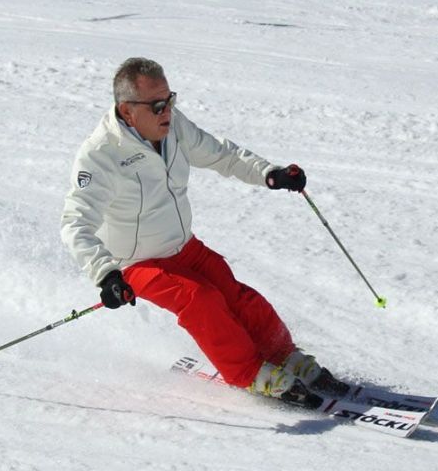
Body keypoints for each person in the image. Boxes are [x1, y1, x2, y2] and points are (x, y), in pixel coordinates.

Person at [61, 57, 350, 408]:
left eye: (170, 100)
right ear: (127, 111)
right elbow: (76, 222)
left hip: (184, 246)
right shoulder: (100, 154)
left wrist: (269, 173)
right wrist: (106, 275)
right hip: (135, 263)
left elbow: (222, 155)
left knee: (235, 294)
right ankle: (251, 373)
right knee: (202, 300)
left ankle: (284, 355)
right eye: (157, 105)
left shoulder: (173, 127)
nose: (167, 110)